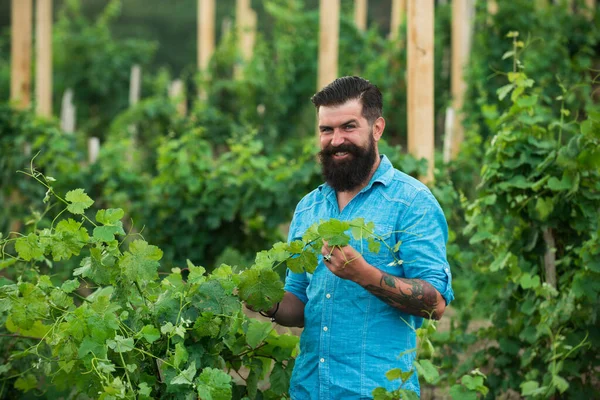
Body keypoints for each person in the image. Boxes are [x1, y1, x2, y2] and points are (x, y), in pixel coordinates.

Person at [260, 76, 454, 399]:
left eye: (348, 127)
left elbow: (435, 303)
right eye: (326, 130)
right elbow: (298, 301)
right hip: (309, 390)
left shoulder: (412, 203)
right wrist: (268, 302)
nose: (336, 140)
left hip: (377, 392)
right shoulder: (309, 207)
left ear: (377, 128)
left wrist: (362, 274)